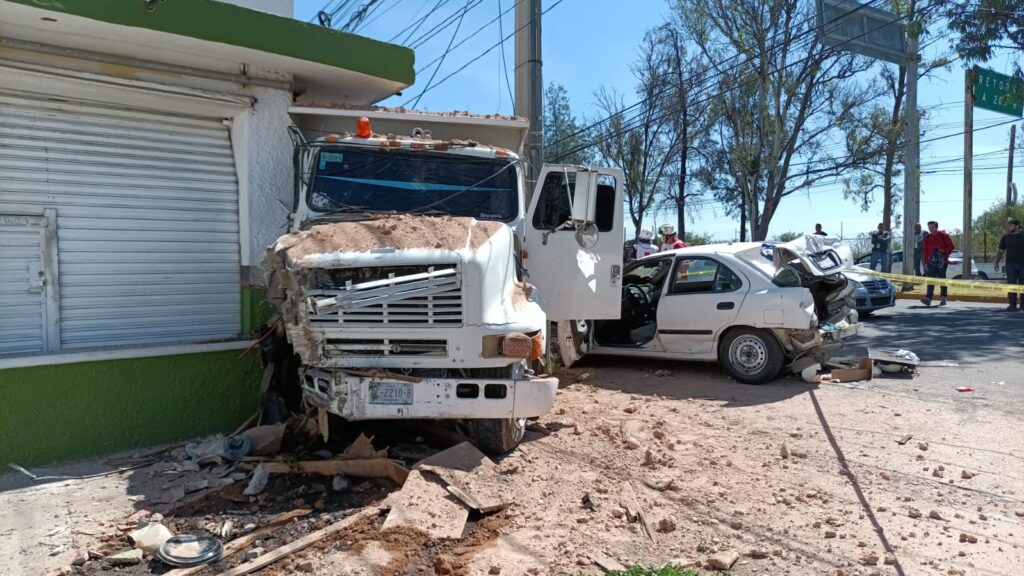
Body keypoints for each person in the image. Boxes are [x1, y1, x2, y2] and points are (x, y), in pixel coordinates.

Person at [920, 221, 955, 307]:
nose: (930, 229)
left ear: (936, 227)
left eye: (932, 227)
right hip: (931, 263)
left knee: (942, 280)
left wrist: (943, 250)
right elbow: (925, 251)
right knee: (931, 280)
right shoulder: (927, 238)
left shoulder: (943, 235)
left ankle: (943, 297)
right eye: (929, 227)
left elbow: (951, 247)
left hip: (942, 262)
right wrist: (925, 263)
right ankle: (928, 298)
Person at [993, 218, 1024, 311]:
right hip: (1010, 264)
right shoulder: (1005, 238)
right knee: (1011, 284)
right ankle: (1012, 304)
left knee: (1023, 284)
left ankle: (1023, 304)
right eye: (1007, 225)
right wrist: (996, 261)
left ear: (1017, 226)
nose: (1008, 227)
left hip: (1023, 263)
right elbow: (1000, 251)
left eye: (1010, 225)